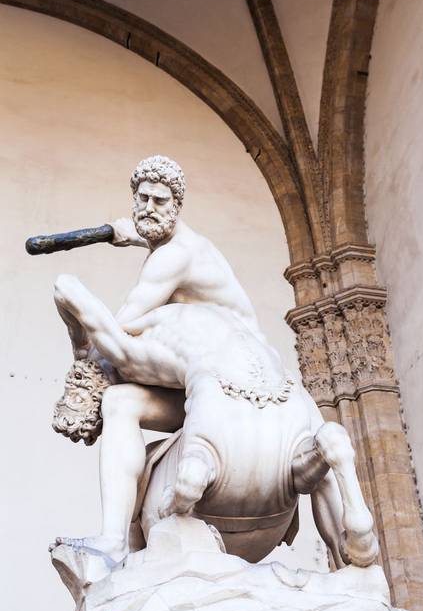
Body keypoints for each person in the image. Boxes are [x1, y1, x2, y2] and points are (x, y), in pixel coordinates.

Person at [54, 155, 276, 563]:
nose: (149, 208)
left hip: (237, 382)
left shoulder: (175, 256)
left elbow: (122, 326)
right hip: (202, 383)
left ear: (177, 205)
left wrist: (82, 348)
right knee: (120, 403)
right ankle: (113, 539)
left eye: (160, 201)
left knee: (114, 370)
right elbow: (162, 241)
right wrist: (138, 238)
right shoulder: (179, 247)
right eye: (142, 199)